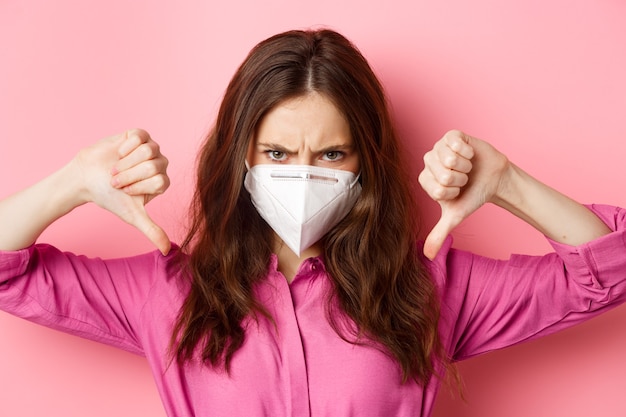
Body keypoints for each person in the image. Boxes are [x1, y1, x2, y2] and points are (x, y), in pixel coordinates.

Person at [1, 28, 625, 417]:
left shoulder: (429, 288)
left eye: (330, 154)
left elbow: (608, 273)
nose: (301, 175)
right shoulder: (168, 293)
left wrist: (507, 183)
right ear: (241, 156)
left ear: (363, 162)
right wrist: (74, 182)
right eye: (276, 154)